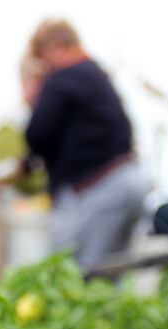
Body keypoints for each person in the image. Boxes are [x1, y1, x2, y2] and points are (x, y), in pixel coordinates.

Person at [23, 18, 150, 269]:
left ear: (55, 46)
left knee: (79, 275)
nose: (45, 67)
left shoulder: (64, 76)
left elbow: (37, 135)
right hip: (129, 178)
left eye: (43, 58)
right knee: (110, 275)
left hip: (98, 189)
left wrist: (33, 99)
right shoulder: (97, 75)